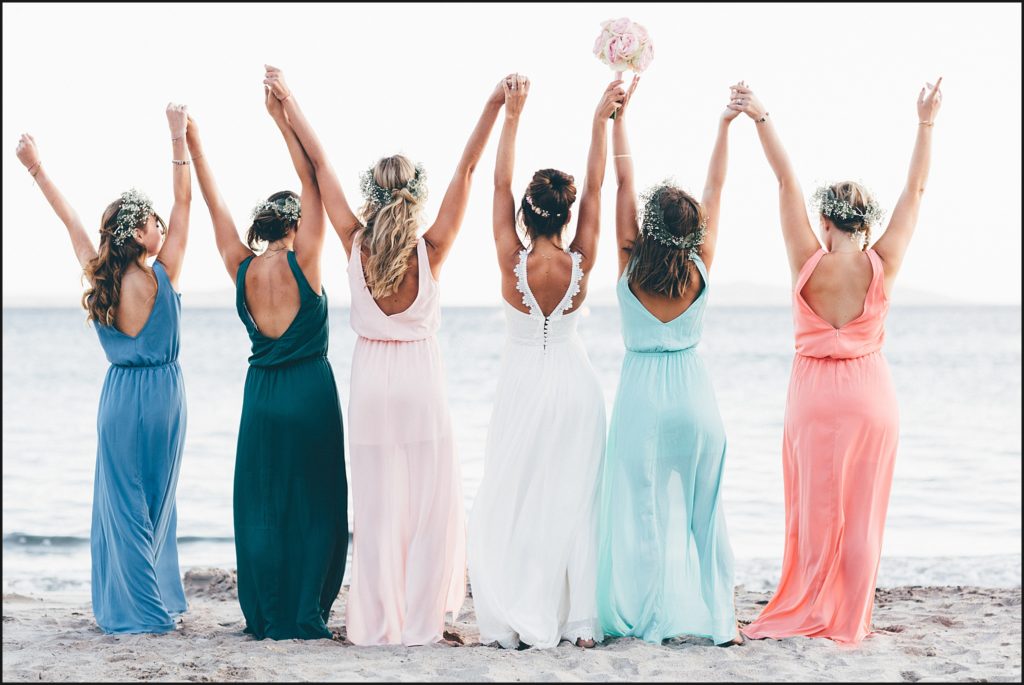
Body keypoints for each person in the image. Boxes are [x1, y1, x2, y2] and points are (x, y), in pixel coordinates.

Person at [263, 65, 503, 646]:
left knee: (376, 509)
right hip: (420, 382)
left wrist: (288, 107)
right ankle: (422, 623)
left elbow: (318, 169)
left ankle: (374, 623)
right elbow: (470, 168)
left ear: (373, 192)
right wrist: (496, 104)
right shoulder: (433, 248)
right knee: (425, 507)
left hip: (371, 382)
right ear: (415, 193)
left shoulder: (355, 241)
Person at [734, 78, 944, 643]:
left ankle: (807, 606)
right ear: (867, 224)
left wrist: (760, 115)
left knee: (813, 508)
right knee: (864, 508)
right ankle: (850, 620)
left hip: (813, 396)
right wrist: (925, 123)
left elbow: (784, 180)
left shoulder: (807, 259)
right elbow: (917, 190)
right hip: (870, 396)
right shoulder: (884, 262)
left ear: (825, 221)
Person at [14, 104, 193, 633]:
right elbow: (186, 199)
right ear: (138, 234)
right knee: (158, 501)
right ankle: (152, 606)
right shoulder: (166, 272)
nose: (161, 224)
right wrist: (177, 137)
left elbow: (69, 218)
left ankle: (139, 607)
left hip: (119, 398)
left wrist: (35, 167)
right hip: (164, 396)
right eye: (153, 221)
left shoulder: (103, 280)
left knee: (123, 505)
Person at [186, 84, 348, 640]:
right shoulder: (308, 261)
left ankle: (267, 612)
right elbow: (314, 183)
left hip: (262, 396)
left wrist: (195, 143)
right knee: (315, 503)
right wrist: (283, 118)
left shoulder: (242, 268)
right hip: (310, 392)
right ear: (295, 223)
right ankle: (307, 609)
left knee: (264, 503)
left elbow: (215, 206)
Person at [468, 76, 623, 650]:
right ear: (566, 213)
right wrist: (598, 119)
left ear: (527, 215)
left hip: (522, 383)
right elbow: (601, 185)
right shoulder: (580, 263)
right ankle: (578, 622)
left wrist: (513, 114)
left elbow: (499, 180)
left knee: (516, 493)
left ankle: (513, 617)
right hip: (575, 384)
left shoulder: (511, 259)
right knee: (573, 498)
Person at [596, 77, 743, 647]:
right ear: (693, 230)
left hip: (641, 399)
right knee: (706, 517)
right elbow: (718, 185)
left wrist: (619, 119)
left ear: (649, 226)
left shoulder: (630, 263)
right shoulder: (701, 264)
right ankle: (721, 624)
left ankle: (652, 621)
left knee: (643, 517)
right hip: (695, 399)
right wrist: (725, 126)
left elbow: (624, 179)